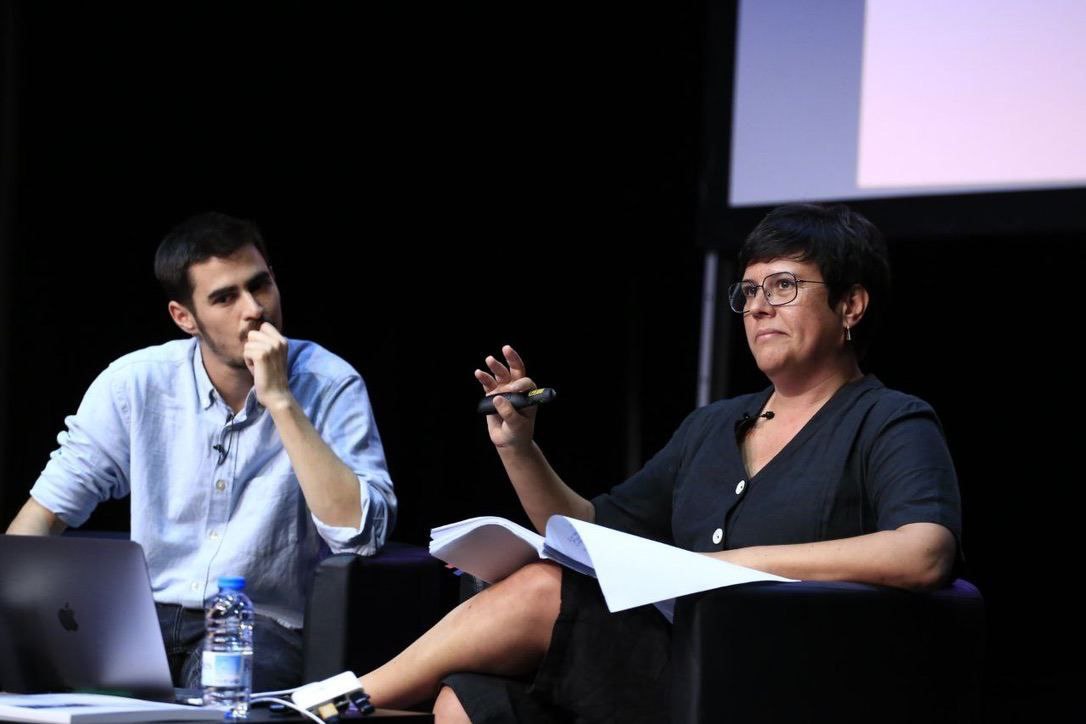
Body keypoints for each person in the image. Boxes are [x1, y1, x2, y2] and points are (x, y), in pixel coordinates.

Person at [357, 202, 961, 722]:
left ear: (851, 305)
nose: (758, 308)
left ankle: (340, 700)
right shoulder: (712, 426)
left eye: (783, 286)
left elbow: (923, 552)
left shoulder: (889, 419)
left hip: (790, 675)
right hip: (681, 666)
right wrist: (518, 446)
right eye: (749, 292)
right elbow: (588, 531)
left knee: (544, 589)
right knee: (469, 699)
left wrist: (729, 567)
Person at [5, 211, 396, 690]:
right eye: (225, 298)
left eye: (261, 285)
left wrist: (280, 400)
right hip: (139, 621)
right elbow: (44, 514)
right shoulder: (135, 383)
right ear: (184, 317)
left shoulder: (331, 384)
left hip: (259, 624)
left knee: (223, 700)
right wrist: (14, 613)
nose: (254, 309)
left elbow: (361, 535)